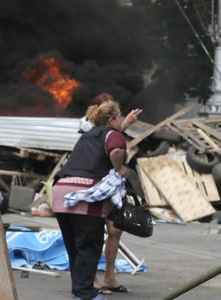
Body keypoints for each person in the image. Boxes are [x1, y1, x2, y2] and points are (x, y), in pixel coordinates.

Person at [52, 100, 129, 300]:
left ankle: (80, 291)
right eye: (120, 116)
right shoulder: (113, 134)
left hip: (61, 192)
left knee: (75, 248)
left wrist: (124, 125)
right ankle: (86, 294)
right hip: (85, 195)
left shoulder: (87, 135)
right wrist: (120, 169)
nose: (121, 120)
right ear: (112, 119)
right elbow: (117, 149)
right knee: (89, 245)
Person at [85, 93, 142, 295]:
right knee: (93, 233)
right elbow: (106, 141)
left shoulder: (111, 128)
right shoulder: (87, 126)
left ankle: (109, 277)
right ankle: (90, 279)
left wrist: (125, 123)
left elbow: (113, 138)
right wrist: (124, 124)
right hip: (95, 184)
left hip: (112, 186)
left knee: (115, 230)